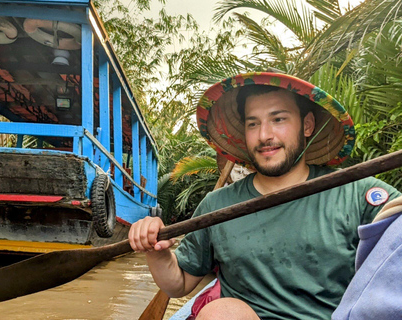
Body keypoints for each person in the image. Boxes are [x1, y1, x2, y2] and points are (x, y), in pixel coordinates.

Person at [128, 72, 401, 320]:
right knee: (221, 313)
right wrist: (157, 252)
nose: (264, 135)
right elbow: (180, 283)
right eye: (252, 124)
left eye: (278, 119)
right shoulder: (217, 205)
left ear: (307, 125)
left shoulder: (355, 193)